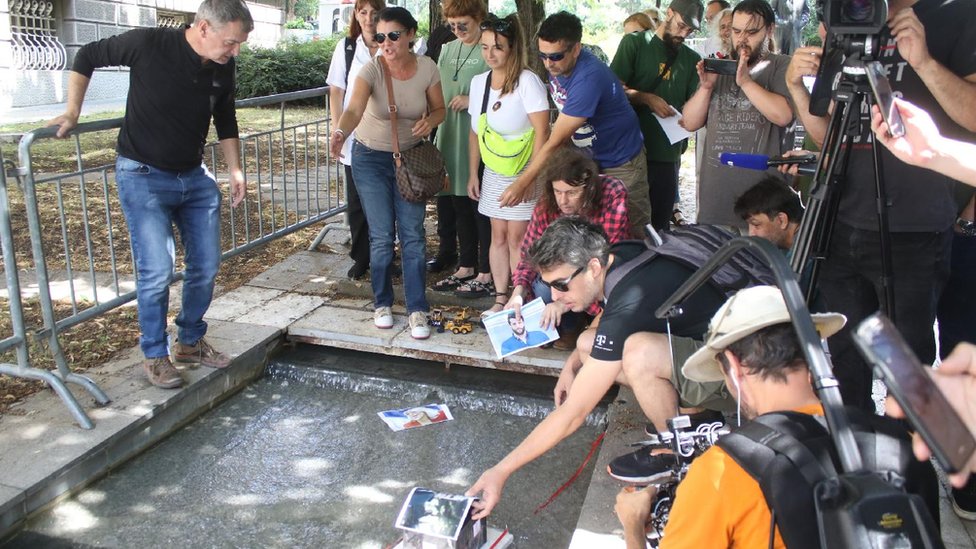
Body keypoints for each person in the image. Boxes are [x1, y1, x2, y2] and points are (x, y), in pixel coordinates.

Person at [615, 285, 936, 548]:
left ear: (734, 367)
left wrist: (633, 527)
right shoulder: (901, 445)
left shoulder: (721, 471)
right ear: (811, 355)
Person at [466, 217, 733, 518]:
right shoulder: (618, 256)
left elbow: (573, 413)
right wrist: (571, 367)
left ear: (593, 267)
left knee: (638, 354)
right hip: (710, 348)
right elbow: (607, 319)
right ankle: (694, 414)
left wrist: (501, 471)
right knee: (585, 344)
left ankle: (677, 451)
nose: (554, 297)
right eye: (547, 285)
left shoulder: (631, 297)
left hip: (738, 377)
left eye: (561, 285)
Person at [784, 0, 976, 417]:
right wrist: (799, 89)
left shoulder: (956, 15)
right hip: (839, 222)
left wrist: (923, 61)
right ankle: (858, 466)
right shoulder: (846, 17)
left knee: (906, 370)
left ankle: (913, 472)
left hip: (914, 229)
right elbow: (832, 137)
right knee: (843, 361)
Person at [48, 0, 252, 389]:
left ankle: (189, 342)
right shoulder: (148, 43)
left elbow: (225, 116)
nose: (234, 52)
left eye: (239, 44)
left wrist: (235, 168)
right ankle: (155, 354)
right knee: (157, 270)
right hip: (142, 174)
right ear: (204, 27)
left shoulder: (223, 66)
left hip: (194, 177)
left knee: (206, 266)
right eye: (230, 43)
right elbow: (87, 55)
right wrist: (73, 111)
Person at [329, 7, 446, 340]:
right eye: (380, 37)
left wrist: (432, 120)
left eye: (393, 35)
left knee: (413, 235)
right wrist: (340, 133)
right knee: (381, 236)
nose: (386, 43)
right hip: (369, 158)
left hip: (410, 160)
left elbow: (439, 109)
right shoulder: (371, 70)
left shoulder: (427, 68)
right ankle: (382, 303)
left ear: (410, 34)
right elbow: (352, 109)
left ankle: (417, 309)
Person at [498, 11, 652, 238]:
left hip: (622, 161)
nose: (548, 63)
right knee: (589, 232)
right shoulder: (558, 66)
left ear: (576, 49)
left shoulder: (588, 78)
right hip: (589, 159)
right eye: (543, 55)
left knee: (631, 232)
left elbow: (555, 140)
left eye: (556, 56)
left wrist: (523, 182)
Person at [465, 13, 550, 316]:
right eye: (485, 47)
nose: (490, 54)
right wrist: (473, 172)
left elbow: (543, 133)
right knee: (496, 235)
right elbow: (476, 131)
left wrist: (527, 179)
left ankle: (521, 297)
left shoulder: (529, 82)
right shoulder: (479, 83)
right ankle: (501, 297)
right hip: (495, 171)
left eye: (497, 47)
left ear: (513, 47)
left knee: (518, 237)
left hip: (525, 170)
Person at [682, 0, 794, 229]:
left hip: (764, 208)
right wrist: (705, 88)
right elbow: (690, 122)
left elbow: (782, 115)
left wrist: (745, 82)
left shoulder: (781, 65)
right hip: (716, 205)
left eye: (751, 32)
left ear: (770, 30)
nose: (742, 39)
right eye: (736, 31)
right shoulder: (721, 66)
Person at [506, 146, 629, 350]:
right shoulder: (547, 204)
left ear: (589, 187)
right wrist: (517, 293)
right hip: (564, 276)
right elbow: (529, 255)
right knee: (543, 287)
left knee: (565, 289)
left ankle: (575, 325)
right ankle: (557, 327)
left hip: (595, 274)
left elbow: (609, 259)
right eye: (557, 191)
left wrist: (562, 304)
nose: (563, 200)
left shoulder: (613, 194)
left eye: (571, 193)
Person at [611, 0, 703, 232]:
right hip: (630, 152)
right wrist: (646, 98)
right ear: (669, 13)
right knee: (629, 225)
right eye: (682, 26)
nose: (684, 34)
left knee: (660, 227)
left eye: (690, 30)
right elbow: (612, 90)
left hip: (667, 154)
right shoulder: (635, 44)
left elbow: (694, 106)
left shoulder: (691, 60)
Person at [430, 0, 492, 297]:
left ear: (479, 18)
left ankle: (486, 269)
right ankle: (465, 264)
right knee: (455, 201)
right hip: (449, 132)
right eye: (452, 26)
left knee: (477, 203)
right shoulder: (447, 49)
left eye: (463, 25)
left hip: (476, 135)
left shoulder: (489, 47)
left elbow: (501, 86)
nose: (458, 31)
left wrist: (473, 101)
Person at [327, 0, 385, 281]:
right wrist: (339, 130)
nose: (369, 18)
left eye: (374, 13)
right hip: (354, 135)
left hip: (386, 138)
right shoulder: (348, 48)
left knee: (386, 201)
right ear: (356, 15)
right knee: (357, 202)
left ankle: (385, 255)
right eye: (363, 12)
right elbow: (336, 92)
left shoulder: (392, 44)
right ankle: (362, 257)